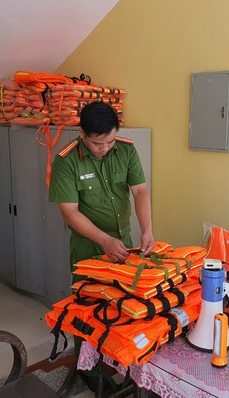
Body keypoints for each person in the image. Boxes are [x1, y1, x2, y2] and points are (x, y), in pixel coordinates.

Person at [48, 100, 154, 392]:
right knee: (87, 309)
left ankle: (116, 358)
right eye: (98, 143)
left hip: (124, 246)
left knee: (121, 306)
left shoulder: (126, 149)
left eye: (109, 141)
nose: (105, 148)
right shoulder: (66, 161)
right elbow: (70, 212)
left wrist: (147, 230)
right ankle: (88, 370)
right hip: (89, 250)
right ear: (82, 133)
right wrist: (104, 240)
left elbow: (140, 191)